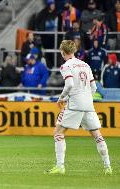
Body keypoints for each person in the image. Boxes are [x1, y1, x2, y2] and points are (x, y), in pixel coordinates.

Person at [45, 40, 112, 175]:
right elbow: (93, 87)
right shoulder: (85, 65)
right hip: (88, 104)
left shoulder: (66, 66)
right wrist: (86, 97)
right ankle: (108, 166)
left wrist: (61, 98)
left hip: (74, 104)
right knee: (97, 135)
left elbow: (69, 85)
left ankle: (60, 167)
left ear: (63, 52)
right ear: (74, 51)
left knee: (58, 133)